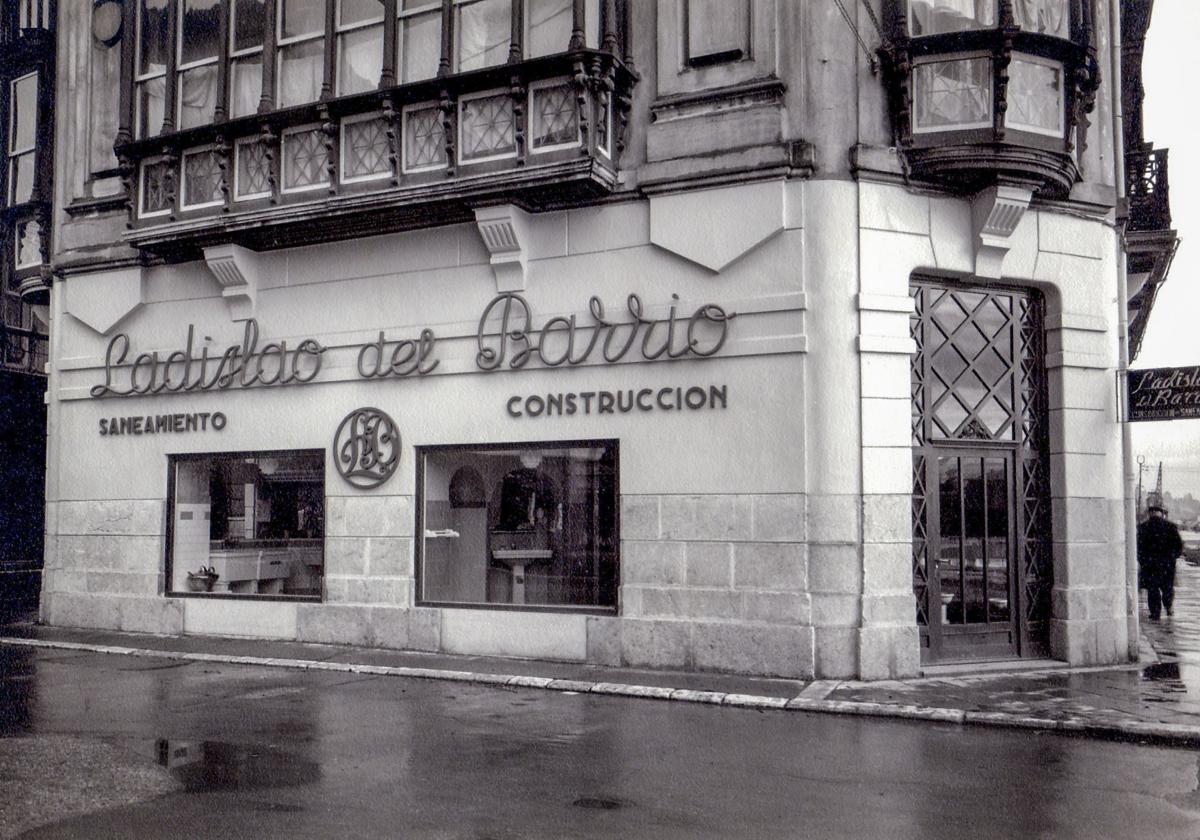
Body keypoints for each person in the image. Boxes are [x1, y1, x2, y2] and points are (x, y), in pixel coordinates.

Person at [1138, 504, 1184, 620]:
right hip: (1167, 565)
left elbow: (1138, 548)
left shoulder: (1143, 528)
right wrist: (1172, 557)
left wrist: (1143, 560)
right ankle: (1168, 607)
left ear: (1150, 513)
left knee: (1152, 589)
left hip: (1150, 565)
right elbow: (1179, 546)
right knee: (1167, 587)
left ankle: (1155, 613)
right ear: (1162, 513)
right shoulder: (1170, 527)